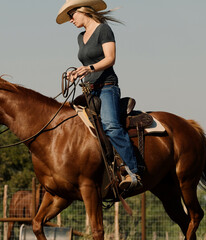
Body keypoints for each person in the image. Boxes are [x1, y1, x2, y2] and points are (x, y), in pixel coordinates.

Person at [56, 0, 140, 190]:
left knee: (110, 126)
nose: (70, 20)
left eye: (71, 15)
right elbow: (87, 63)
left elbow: (110, 58)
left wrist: (90, 68)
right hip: (89, 89)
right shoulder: (80, 37)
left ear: (82, 11)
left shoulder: (104, 30)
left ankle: (134, 171)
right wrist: (76, 73)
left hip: (107, 87)